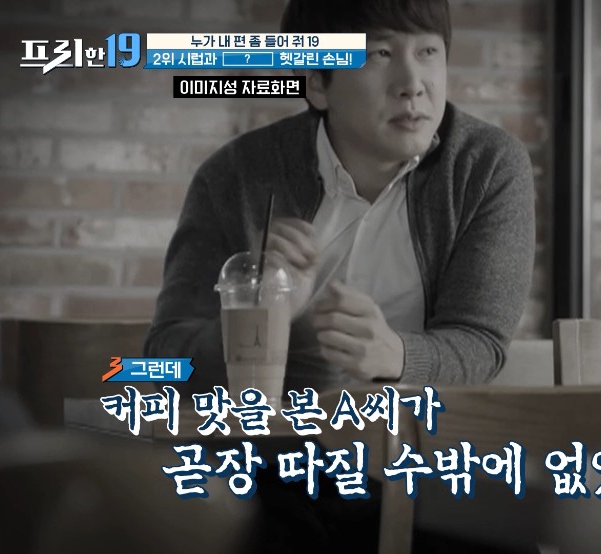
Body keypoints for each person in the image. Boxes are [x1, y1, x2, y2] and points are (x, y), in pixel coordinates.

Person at [145, 0, 536, 551]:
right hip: (276, 466)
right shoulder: (235, 177)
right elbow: (165, 363)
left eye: (428, 52)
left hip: (425, 463)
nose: (413, 84)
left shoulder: (486, 167)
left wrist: (396, 356)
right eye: (379, 54)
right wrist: (265, 318)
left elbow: (481, 344)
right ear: (317, 83)